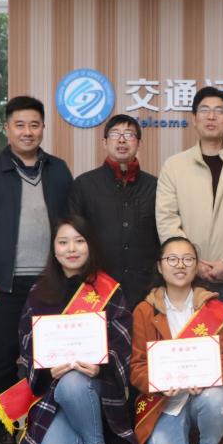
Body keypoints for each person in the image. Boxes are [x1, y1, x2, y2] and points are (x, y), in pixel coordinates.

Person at [0, 95, 72, 444]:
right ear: (7, 128)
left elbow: (72, 224)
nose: (28, 132)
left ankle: (47, 422)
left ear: (43, 128)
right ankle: (6, 426)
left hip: (52, 282)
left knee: (51, 355)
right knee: (5, 357)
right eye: (20, 125)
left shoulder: (58, 170)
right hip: (6, 283)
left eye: (34, 125)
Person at [13, 216, 135, 444]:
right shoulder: (39, 291)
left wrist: (100, 366)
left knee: (73, 383)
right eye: (63, 242)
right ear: (54, 249)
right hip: (53, 392)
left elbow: (123, 342)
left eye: (79, 241)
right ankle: (87, 434)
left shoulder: (108, 289)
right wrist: (46, 369)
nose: (71, 249)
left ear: (90, 245)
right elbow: (27, 344)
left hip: (98, 388)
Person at [130, 236, 223, 444]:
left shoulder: (215, 309)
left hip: (205, 395)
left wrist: (206, 379)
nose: (180, 265)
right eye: (172, 259)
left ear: (196, 266)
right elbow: (137, 366)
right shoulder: (144, 311)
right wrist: (159, 385)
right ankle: (183, 439)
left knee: (217, 397)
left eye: (188, 259)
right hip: (165, 402)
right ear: (160, 266)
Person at [156, 86, 223, 337]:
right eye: (204, 110)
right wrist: (190, 263)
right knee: (187, 347)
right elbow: (166, 219)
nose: (211, 116)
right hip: (185, 277)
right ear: (194, 118)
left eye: (219, 111)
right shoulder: (174, 166)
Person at [68, 114, 160, 312]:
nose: (122, 140)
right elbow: (73, 236)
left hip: (145, 290)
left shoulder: (155, 186)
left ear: (139, 143)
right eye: (115, 134)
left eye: (129, 134)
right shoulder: (84, 185)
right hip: (96, 288)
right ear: (104, 142)